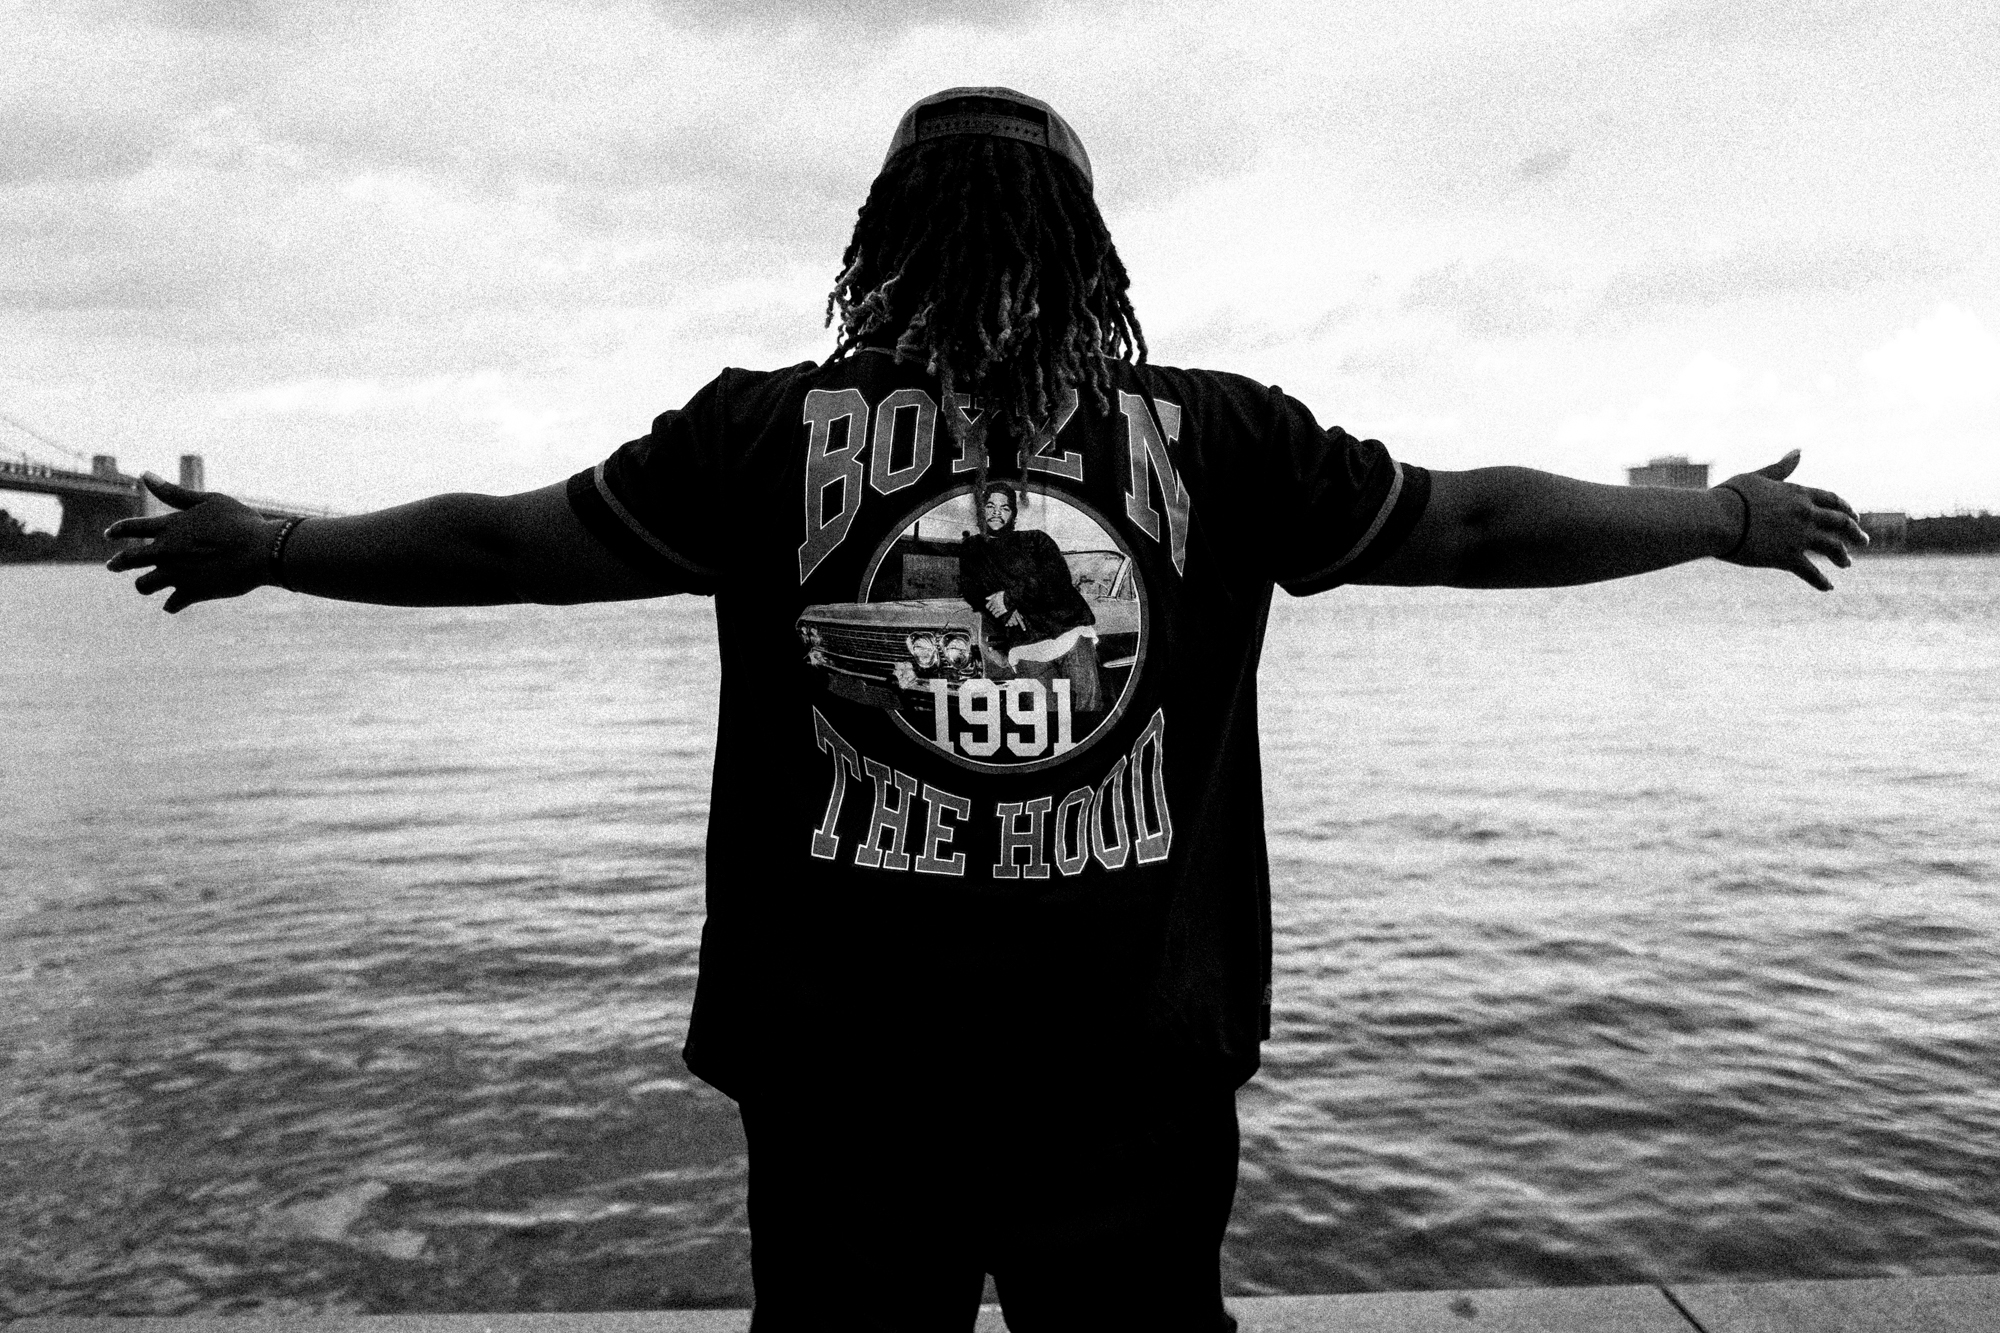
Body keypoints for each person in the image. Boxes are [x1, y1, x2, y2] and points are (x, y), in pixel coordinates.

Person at [105, 87, 1866, 1332]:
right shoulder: (1221, 436)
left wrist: (279, 544)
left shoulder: (765, 435)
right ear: (1090, 246)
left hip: (841, 1070)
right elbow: (1472, 521)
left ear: (880, 238)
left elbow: (511, 544)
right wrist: (1719, 518)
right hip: (1133, 1063)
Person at [957, 479, 1103, 712]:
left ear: (1014, 514)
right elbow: (972, 589)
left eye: (1005, 508)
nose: (996, 513)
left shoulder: (1036, 539)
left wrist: (1008, 599)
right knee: (1045, 718)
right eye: (990, 506)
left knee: (1088, 710)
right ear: (981, 510)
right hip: (1026, 646)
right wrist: (1003, 613)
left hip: (1069, 634)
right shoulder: (972, 548)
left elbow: (1056, 579)